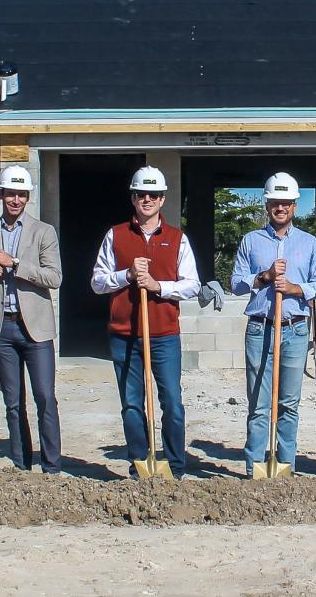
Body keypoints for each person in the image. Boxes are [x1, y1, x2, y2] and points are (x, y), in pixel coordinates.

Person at [91, 166, 199, 478]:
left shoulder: (177, 239)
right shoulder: (116, 235)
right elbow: (97, 282)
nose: (147, 200)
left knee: (173, 404)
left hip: (164, 334)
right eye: (141, 194)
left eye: (153, 194)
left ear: (163, 199)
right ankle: (140, 463)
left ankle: (175, 467)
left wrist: (158, 286)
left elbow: (192, 284)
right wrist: (126, 275)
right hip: (124, 334)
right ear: (133, 198)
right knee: (132, 405)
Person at [230, 172, 316, 476]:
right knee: (259, 404)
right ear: (268, 204)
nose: (281, 207)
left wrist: (295, 289)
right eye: (275, 202)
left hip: (295, 328)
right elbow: (235, 283)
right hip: (261, 328)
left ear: (295, 206)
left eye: (286, 202)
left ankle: (285, 466)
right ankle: (255, 467)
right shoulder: (251, 241)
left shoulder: (309, 243)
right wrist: (265, 278)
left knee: (288, 403)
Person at [0, 165, 64, 474]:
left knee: (45, 398)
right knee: (13, 401)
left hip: (35, 329)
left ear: (28, 197)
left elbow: (54, 277)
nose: (16, 199)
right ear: (0, 194)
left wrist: (16, 264)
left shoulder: (43, 232)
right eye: (11, 193)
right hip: (2, 327)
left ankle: (51, 467)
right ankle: (22, 467)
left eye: (22, 194)